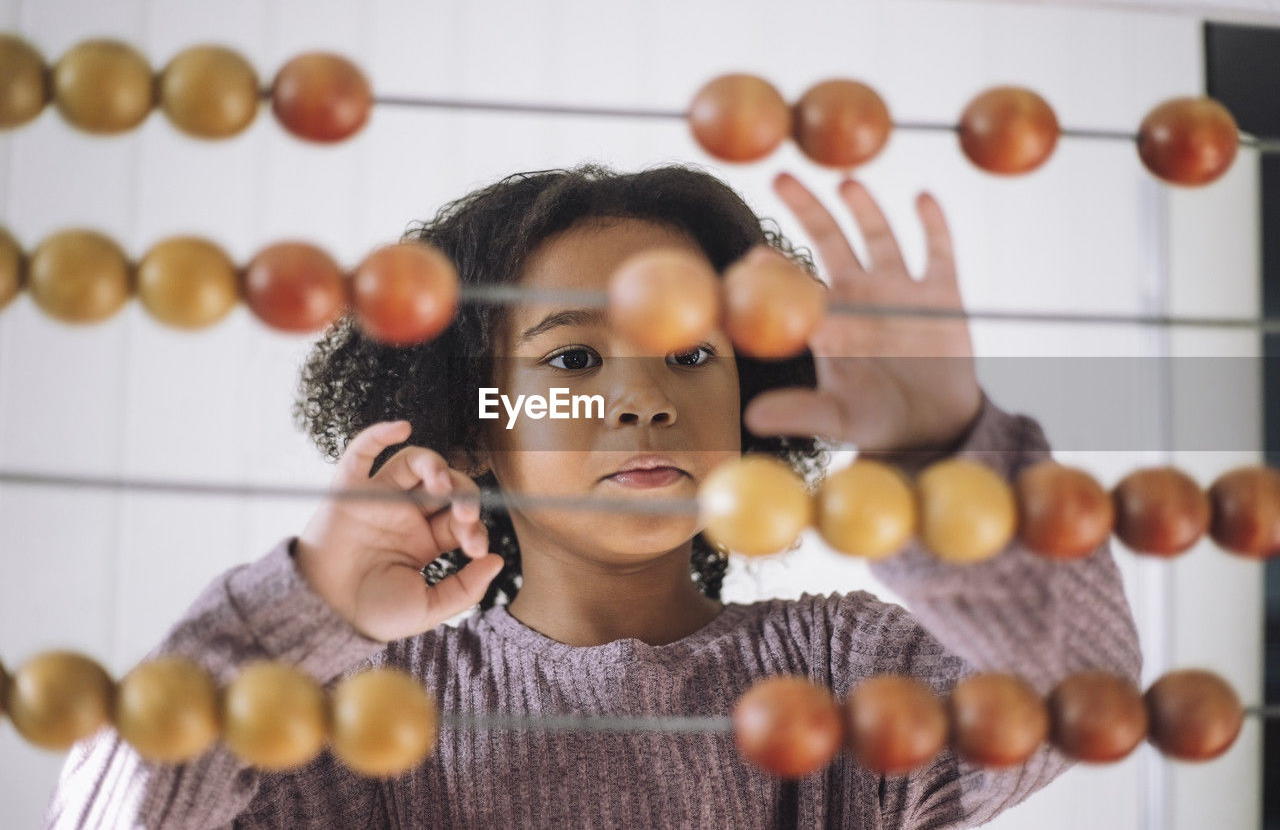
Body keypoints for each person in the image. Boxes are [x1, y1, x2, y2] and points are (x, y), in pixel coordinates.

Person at [43, 163, 1141, 829]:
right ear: (476, 430)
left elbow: (1076, 692)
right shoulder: (360, 711)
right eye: (571, 365)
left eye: (691, 357)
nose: (641, 401)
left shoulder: (848, 676)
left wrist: (943, 454)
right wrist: (305, 612)